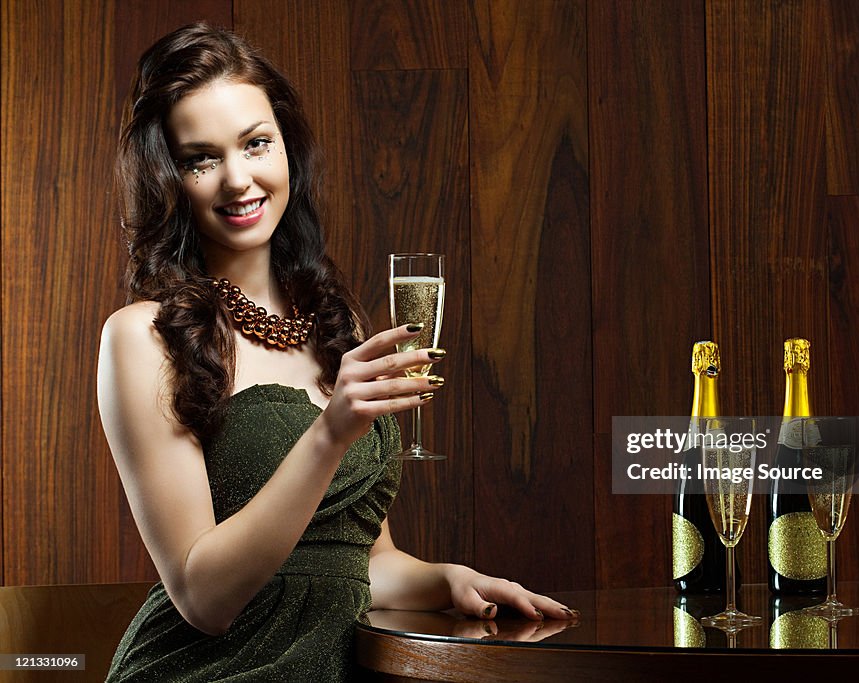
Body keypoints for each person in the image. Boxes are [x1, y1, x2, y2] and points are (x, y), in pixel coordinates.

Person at [98, 22, 575, 681]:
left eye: (256, 144)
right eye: (200, 158)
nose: (238, 179)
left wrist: (446, 579)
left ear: (287, 148)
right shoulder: (139, 336)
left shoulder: (332, 319)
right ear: (169, 179)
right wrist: (328, 434)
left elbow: (360, 562)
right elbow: (202, 597)